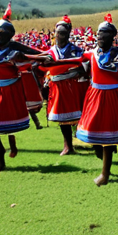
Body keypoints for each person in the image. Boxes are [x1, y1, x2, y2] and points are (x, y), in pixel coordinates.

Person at [0, 3, 51, 173]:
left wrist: (33, 57)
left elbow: (39, 55)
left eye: (0, 33)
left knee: (4, 124)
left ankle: (9, 147)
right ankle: (0, 159)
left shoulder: (15, 48)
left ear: (9, 35)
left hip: (10, 90)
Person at [74, 15, 118, 186]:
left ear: (112, 37)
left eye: (104, 35)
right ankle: (106, 157)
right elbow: (79, 66)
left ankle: (105, 175)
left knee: (107, 138)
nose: (100, 37)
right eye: (98, 34)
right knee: (94, 135)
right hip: (95, 97)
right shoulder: (91, 54)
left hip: (113, 97)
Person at [43, 15, 86, 156]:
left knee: (78, 116)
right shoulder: (50, 52)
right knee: (63, 119)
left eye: (63, 33)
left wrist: (78, 70)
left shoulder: (76, 51)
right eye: (58, 33)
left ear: (68, 34)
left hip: (73, 85)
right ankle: (68, 146)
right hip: (57, 86)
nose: (60, 36)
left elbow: (85, 66)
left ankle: (86, 140)